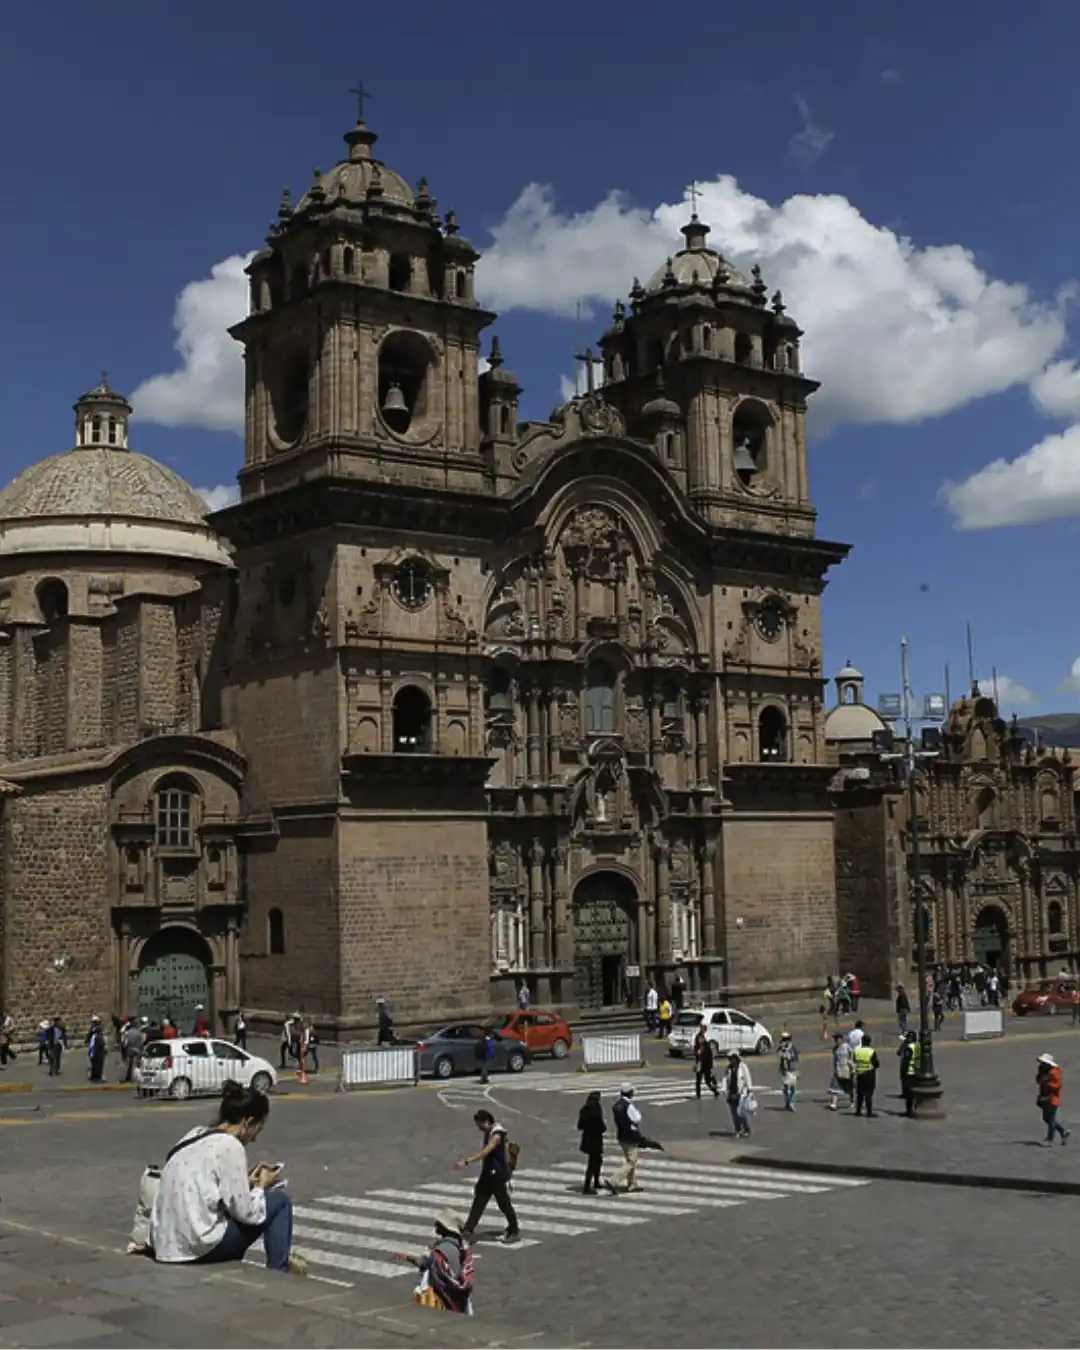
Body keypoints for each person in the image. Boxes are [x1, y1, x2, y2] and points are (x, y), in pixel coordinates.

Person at [150, 1080, 306, 1274]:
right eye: (258, 1128)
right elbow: (246, 1213)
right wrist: (261, 1186)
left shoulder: (194, 1134)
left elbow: (208, 1187)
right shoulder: (230, 1145)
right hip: (196, 1247)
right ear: (247, 1123)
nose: (255, 1137)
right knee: (279, 1202)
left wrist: (245, 1181)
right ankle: (278, 1271)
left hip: (165, 1245)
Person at [456, 1110, 519, 1243]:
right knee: (479, 1200)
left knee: (504, 1203)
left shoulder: (496, 1135)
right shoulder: (490, 1132)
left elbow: (486, 1152)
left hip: (497, 1174)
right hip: (488, 1173)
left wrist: (467, 1161)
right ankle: (468, 1228)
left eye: (479, 1124)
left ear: (486, 1121)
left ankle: (514, 1230)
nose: (478, 1127)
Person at [401, 1210, 474, 1315]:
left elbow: (428, 1265)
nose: (436, 1225)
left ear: (446, 1228)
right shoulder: (459, 1247)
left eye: (439, 1224)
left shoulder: (442, 1250)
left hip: (442, 1300)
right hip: (457, 1298)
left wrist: (412, 1259)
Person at [604, 1084, 643, 1194]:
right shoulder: (628, 1105)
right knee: (631, 1162)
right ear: (630, 1093)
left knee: (630, 1159)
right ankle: (613, 1181)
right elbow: (637, 1118)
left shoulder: (616, 1105)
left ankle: (632, 1184)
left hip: (621, 1135)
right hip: (631, 1136)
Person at [1036, 1053, 1071, 1147]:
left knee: (1051, 1119)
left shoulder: (1054, 1072)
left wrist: (1048, 1083)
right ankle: (1063, 1132)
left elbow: (1058, 1086)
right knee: (1046, 1118)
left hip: (1052, 1099)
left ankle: (1050, 1139)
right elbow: (1038, 1081)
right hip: (1044, 1098)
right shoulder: (1044, 1072)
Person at [576, 1090, 606, 1194]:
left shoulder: (585, 1108)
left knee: (596, 1161)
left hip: (588, 1138)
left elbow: (580, 1125)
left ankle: (595, 1181)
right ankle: (588, 1185)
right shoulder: (595, 1108)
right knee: (594, 1162)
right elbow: (600, 1123)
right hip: (595, 1138)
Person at [724, 1051, 754, 1139]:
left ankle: (746, 1128)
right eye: (730, 1059)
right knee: (734, 1114)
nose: (732, 1060)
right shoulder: (728, 1068)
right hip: (731, 1093)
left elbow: (747, 1077)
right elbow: (725, 1079)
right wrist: (724, 1090)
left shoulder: (743, 1067)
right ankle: (738, 1130)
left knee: (740, 1112)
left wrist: (749, 1089)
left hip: (741, 1093)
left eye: (733, 1058)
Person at [852, 1034, 880, 1118]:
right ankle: (869, 1112)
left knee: (859, 1093)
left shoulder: (856, 1050)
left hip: (860, 1073)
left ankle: (858, 1111)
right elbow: (876, 1063)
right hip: (869, 1073)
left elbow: (854, 1060)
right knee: (868, 1093)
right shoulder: (871, 1051)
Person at [827, 1031, 853, 1111]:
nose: (836, 1041)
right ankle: (834, 1104)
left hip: (847, 1069)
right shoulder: (835, 1048)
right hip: (838, 1070)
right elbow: (835, 1059)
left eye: (837, 1039)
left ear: (841, 1039)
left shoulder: (847, 1046)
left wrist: (852, 1067)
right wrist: (835, 1069)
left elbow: (852, 1055)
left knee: (849, 1087)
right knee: (835, 1087)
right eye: (835, 1039)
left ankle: (852, 1102)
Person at [694, 1028, 719, 1099]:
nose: (700, 1040)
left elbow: (707, 1056)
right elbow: (697, 1054)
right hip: (702, 1064)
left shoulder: (706, 1046)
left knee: (705, 1081)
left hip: (705, 1065)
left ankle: (715, 1091)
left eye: (701, 1039)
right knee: (699, 1081)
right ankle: (698, 1095)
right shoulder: (699, 1045)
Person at [777, 1032, 799, 1111]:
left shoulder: (792, 1047)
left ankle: (792, 1103)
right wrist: (782, 1049)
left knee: (792, 1087)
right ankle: (787, 1102)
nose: (784, 1041)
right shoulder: (781, 1048)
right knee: (785, 1087)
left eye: (786, 1040)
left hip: (792, 1069)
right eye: (783, 1040)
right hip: (784, 1070)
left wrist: (785, 1053)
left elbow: (793, 1058)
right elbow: (779, 1055)